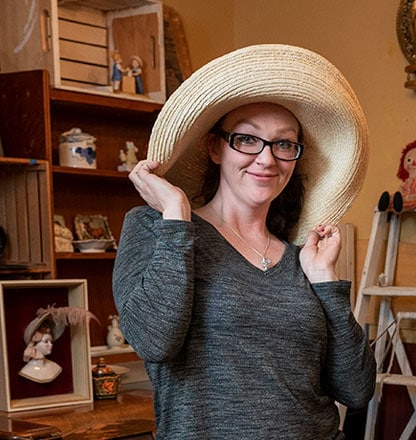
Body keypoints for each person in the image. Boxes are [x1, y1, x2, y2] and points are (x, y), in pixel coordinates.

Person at [113, 44, 374, 439]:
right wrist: (176, 213)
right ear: (215, 147)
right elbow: (154, 342)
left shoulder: (302, 258)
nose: (267, 159)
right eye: (248, 140)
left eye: (284, 144)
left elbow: (356, 389)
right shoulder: (157, 228)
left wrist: (325, 282)